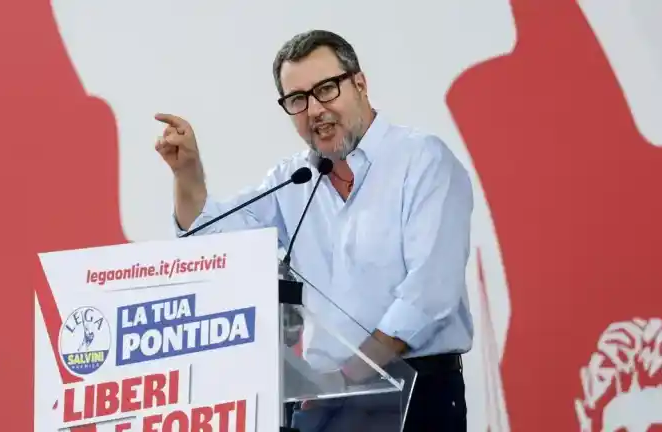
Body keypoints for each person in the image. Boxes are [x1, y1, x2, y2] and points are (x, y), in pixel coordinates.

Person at [154, 29, 473, 432]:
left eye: (326, 89)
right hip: (330, 399)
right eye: (298, 99)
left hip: (417, 391)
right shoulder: (295, 179)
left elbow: (430, 292)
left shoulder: (423, 160)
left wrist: (354, 373)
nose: (315, 109)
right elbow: (212, 238)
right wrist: (187, 173)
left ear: (360, 84)